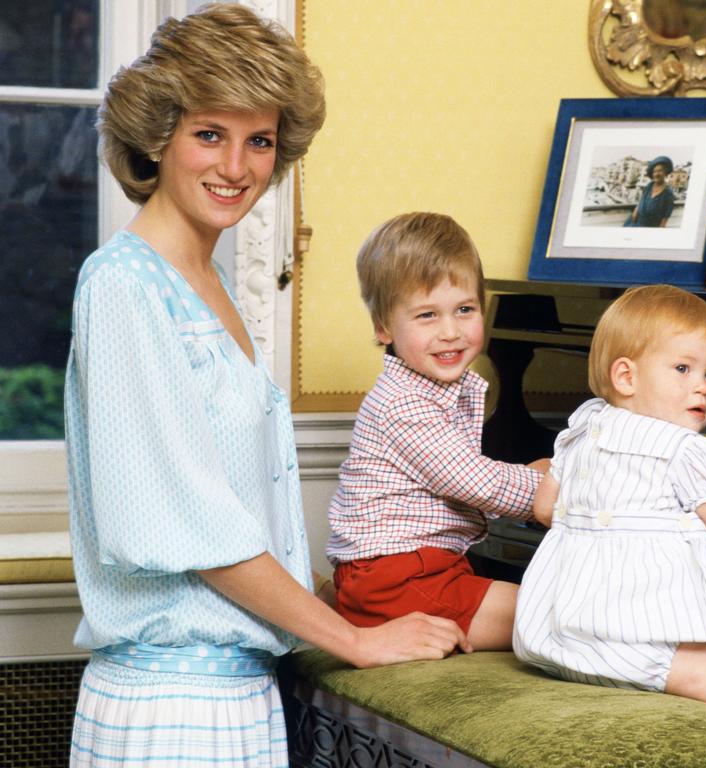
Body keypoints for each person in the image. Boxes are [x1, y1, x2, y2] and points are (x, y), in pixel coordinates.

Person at [65, 7, 468, 766]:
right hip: (172, 711)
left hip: (240, 696)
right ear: (159, 136)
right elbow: (187, 527)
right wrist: (353, 638)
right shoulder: (122, 284)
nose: (237, 167)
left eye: (260, 141)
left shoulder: (207, 281)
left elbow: (237, 502)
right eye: (209, 133)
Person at [513, 285, 706, 725]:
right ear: (626, 377)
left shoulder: (583, 428)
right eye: (682, 368)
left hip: (559, 637)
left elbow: (543, 508)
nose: (701, 387)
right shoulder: (685, 450)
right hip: (645, 645)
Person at [326, 212, 548, 651]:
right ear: (384, 327)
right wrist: (546, 488)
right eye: (427, 315)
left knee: (555, 609)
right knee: (556, 614)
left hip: (422, 569)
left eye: (465, 309)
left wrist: (534, 480)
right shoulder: (403, 403)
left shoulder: (438, 389)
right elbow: (474, 481)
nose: (450, 332)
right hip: (396, 579)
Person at [624, 155, 675, 227]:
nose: (656, 174)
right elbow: (641, 200)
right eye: (654, 171)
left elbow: (665, 218)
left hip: (650, 226)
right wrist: (635, 211)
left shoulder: (668, 193)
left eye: (660, 170)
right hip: (635, 221)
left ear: (665, 172)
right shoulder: (649, 185)